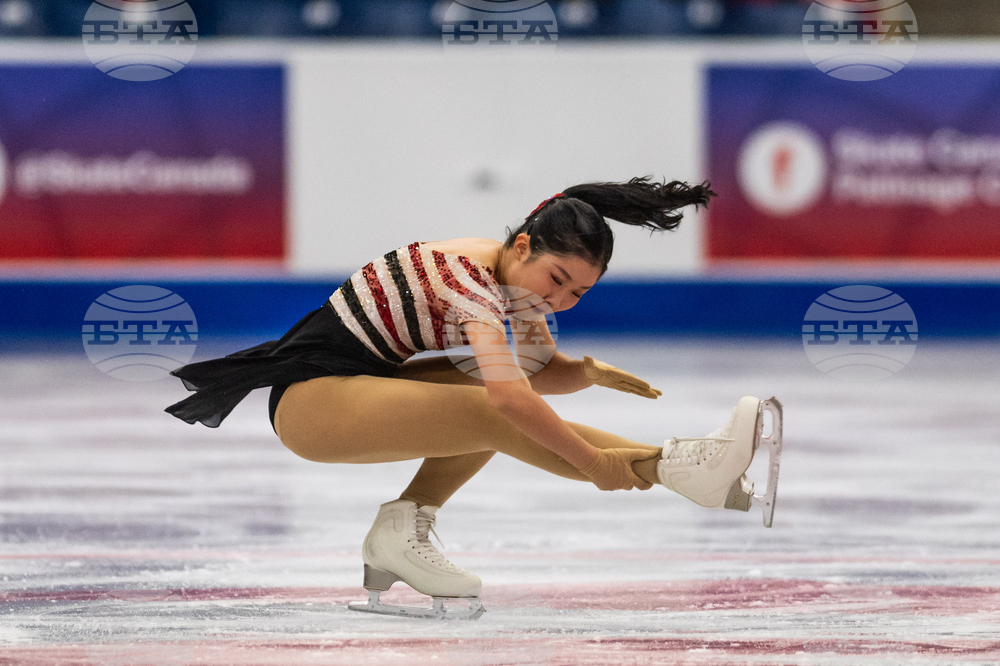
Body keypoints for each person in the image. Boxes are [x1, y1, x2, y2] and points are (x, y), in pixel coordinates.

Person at [165, 176, 781, 620]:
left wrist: (586, 371)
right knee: (491, 406)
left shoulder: (511, 283)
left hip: (351, 385)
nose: (561, 300)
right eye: (557, 280)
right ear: (522, 249)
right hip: (311, 403)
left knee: (483, 390)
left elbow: (536, 374)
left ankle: (401, 526)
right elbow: (512, 402)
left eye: (578, 294)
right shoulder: (472, 288)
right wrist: (597, 468)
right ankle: (679, 467)